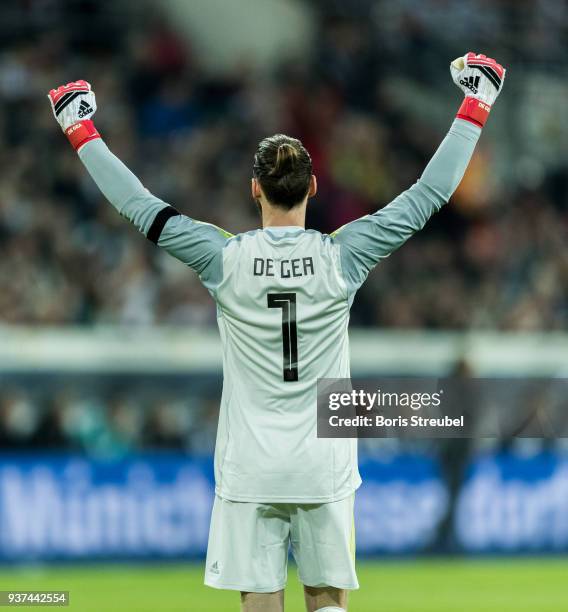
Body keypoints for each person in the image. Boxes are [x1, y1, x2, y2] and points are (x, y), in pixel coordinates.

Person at [47, 52, 505, 612]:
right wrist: (476, 103)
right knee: (327, 603)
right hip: (323, 462)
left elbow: (138, 206)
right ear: (314, 187)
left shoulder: (222, 258)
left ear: (254, 190)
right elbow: (430, 194)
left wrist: (80, 127)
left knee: (261, 605)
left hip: (250, 465)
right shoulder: (345, 255)